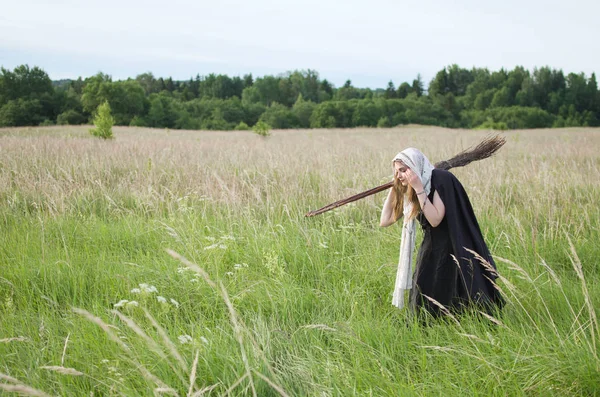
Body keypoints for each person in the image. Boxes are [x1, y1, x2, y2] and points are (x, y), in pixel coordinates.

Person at [380, 148, 503, 317]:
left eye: (403, 170)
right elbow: (385, 220)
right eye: (396, 172)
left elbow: (435, 219)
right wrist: (393, 188)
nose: (400, 175)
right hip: (432, 246)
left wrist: (418, 188)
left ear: (416, 167)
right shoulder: (409, 189)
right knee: (425, 294)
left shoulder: (439, 179)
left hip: (456, 243)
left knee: (464, 288)